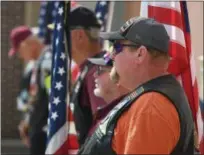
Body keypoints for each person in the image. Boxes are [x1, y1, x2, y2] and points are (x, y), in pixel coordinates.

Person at [78, 17, 194, 154]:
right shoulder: (149, 98)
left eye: (117, 47)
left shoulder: (152, 106)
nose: (111, 55)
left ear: (140, 54)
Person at [66, 5, 107, 146]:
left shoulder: (97, 72)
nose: (59, 43)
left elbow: (104, 131)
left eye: (62, 35)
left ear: (79, 36)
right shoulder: (90, 69)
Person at [9, 25, 52, 155]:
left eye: (19, 50)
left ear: (28, 44)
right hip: (38, 131)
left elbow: (53, 97)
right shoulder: (38, 63)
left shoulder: (47, 63)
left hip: (45, 134)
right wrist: (28, 122)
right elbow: (36, 97)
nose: (21, 56)